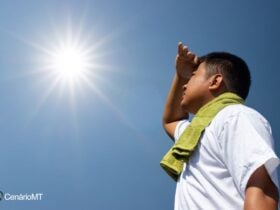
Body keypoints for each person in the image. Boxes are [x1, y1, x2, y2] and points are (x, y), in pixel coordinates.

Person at [161, 42, 280, 210]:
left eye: (192, 76)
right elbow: (170, 120)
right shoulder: (193, 136)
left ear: (215, 81)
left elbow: (261, 190)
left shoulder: (234, 116)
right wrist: (181, 75)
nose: (185, 85)